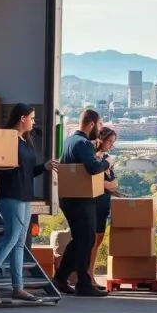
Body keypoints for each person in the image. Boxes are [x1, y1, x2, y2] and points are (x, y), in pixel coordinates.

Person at [0, 104, 59, 302]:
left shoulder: (25, 141)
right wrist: (8, 165)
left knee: (20, 243)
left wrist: (44, 167)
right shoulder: (7, 139)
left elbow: (27, 171)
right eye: (32, 117)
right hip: (10, 194)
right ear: (22, 118)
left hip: (24, 195)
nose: (34, 121)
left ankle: (18, 287)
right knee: (12, 238)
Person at [53, 108, 111, 297]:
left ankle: (61, 278)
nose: (100, 128)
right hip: (81, 199)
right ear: (92, 124)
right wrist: (107, 163)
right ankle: (83, 284)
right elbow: (93, 168)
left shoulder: (70, 140)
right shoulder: (84, 143)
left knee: (79, 239)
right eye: (100, 124)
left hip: (68, 198)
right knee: (87, 240)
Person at [89, 126, 120, 290]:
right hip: (92, 203)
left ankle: (91, 273)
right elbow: (93, 183)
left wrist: (105, 184)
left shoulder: (107, 159)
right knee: (91, 240)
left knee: (99, 239)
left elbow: (114, 183)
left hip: (103, 203)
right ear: (101, 139)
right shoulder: (94, 160)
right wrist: (105, 184)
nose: (111, 145)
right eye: (109, 141)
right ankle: (89, 276)